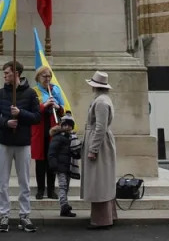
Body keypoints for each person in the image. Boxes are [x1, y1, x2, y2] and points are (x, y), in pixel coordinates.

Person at [0, 60, 40, 233]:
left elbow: (36, 117)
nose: (5, 76)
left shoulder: (31, 93)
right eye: (4, 74)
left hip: (23, 143)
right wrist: (5, 122)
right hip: (4, 142)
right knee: (2, 182)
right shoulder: (1, 93)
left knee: (24, 181)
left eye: (7, 73)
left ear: (17, 73)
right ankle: (4, 215)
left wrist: (21, 114)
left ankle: (25, 215)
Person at [81, 71, 117, 230]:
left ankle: (101, 219)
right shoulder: (103, 100)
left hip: (99, 144)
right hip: (100, 141)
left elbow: (100, 127)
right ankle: (107, 216)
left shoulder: (101, 102)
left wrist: (93, 149)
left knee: (99, 181)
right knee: (101, 180)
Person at [31, 65, 64, 200]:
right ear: (38, 77)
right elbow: (32, 111)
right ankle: (40, 190)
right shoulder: (34, 92)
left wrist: (58, 106)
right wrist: (44, 105)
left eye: (49, 76)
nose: (47, 78)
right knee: (40, 161)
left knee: (52, 160)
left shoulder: (55, 90)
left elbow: (63, 110)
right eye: (44, 76)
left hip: (53, 129)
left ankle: (51, 190)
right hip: (39, 129)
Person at [47, 113, 80, 218]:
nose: (68, 127)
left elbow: (75, 152)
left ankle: (64, 208)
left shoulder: (72, 138)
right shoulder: (58, 137)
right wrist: (54, 165)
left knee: (66, 187)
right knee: (63, 186)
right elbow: (51, 152)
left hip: (68, 167)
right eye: (65, 125)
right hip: (60, 167)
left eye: (70, 125)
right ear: (61, 125)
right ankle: (64, 205)